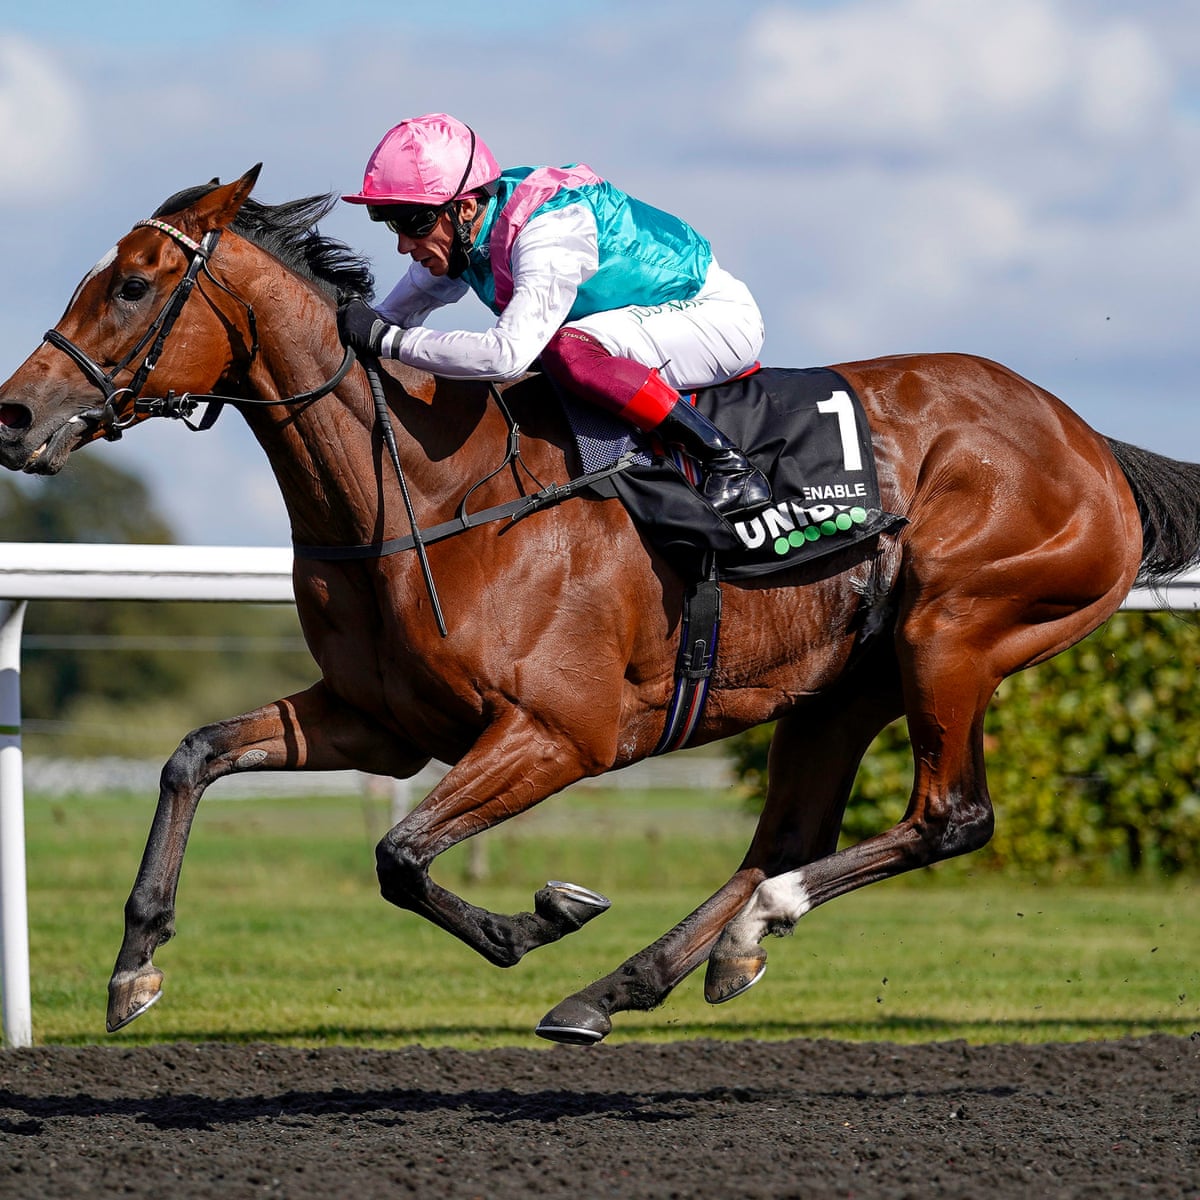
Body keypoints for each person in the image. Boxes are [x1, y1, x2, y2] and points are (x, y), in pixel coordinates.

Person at [337, 112, 770, 519]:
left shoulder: (548, 233)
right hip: (642, 321)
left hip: (714, 317)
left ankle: (727, 463)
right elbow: (381, 319)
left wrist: (390, 342)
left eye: (414, 223)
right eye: (391, 224)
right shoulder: (469, 232)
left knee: (566, 351)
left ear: (465, 208)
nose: (403, 245)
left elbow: (506, 356)